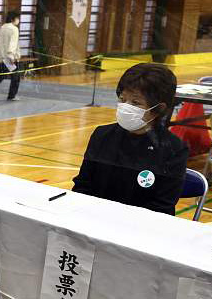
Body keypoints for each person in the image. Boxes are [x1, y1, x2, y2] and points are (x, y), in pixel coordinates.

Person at [72, 63, 189, 214]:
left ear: (158, 109)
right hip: (95, 217)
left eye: (136, 102)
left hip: (141, 227)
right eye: (122, 99)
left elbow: (162, 207)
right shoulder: (102, 135)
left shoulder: (173, 149)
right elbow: (82, 185)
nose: (125, 106)